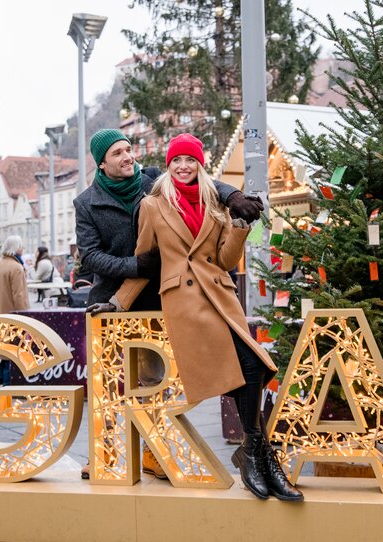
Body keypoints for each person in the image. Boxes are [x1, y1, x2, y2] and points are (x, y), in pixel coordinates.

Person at [95, 134, 303, 502]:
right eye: (177, 161)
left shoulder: (215, 203)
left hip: (220, 297)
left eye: (190, 160)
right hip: (186, 305)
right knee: (248, 366)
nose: (183, 167)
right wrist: (117, 302)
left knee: (251, 367)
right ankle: (259, 455)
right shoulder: (152, 206)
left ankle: (254, 452)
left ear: (200, 165)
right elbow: (146, 263)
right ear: (169, 164)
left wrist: (239, 226)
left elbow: (223, 260)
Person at [74, 128, 263, 481]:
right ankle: (104, 452)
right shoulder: (86, 202)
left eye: (129, 150)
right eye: (118, 153)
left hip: (157, 295)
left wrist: (233, 194)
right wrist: (135, 266)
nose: (128, 157)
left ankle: (154, 453)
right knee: (110, 384)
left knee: (155, 381)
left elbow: (198, 177)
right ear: (102, 163)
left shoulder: (150, 181)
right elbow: (90, 256)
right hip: (116, 298)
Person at [0, 236, 31, 385]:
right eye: (21, 246)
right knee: (13, 347)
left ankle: (0, 376)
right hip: (12, 312)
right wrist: (25, 315)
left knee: (4, 346)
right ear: (16, 248)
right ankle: (8, 381)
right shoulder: (16, 267)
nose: (22, 249)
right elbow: (19, 295)